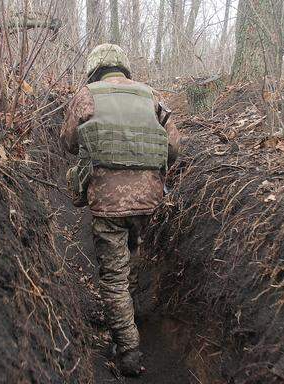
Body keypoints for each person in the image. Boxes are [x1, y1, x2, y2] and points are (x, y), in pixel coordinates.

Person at [61, 43, 180, 377]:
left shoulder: (85, 95)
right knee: (133, 252)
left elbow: (68, 143)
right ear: (124, 67)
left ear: (95, 69)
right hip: (149, 202)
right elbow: (174, 148)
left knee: (113, 277)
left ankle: (127, 350)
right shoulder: (150, 95)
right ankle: (130, 310)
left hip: (108, 203)